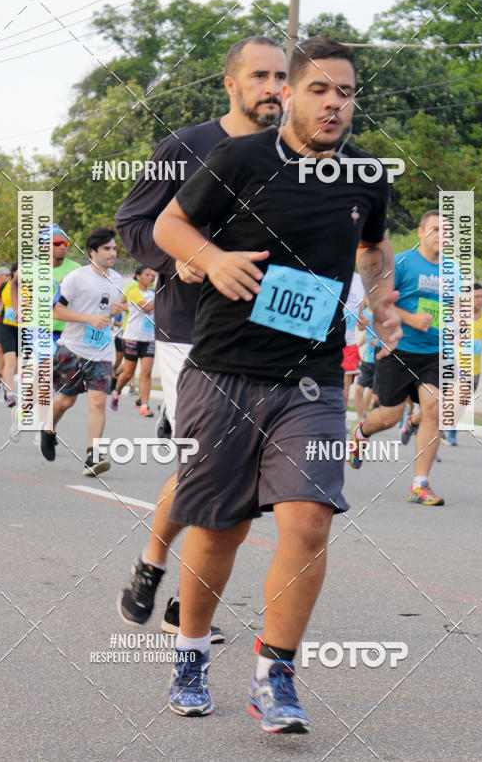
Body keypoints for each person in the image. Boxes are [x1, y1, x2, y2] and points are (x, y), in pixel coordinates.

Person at [153, 36, 401, 729]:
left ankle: (276, 674)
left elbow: (373, 246)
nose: (334, 104)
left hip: (312, 383)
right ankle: (193, 653)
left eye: (346, 93)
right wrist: (212, 257)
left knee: (309, 519)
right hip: (225, 371)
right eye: (319, 90)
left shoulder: (367, 175)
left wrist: (381, 298)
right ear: (287, 94)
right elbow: (172, 223)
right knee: (221, 528)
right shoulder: (241, 158)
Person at [115, 35, 288, 640]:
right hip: (190, 329)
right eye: (260, 76)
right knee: (207, 464)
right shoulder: (187, 145)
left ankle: (169, 582)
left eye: (281, 77)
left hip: (271, 335)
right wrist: (177, 263)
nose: (273, 88)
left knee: (242, 480)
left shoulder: (298, 154)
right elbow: (134, 223)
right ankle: (158, 573)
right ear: (231, 84)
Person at [350, 210, 450, 505]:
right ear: (421, 233)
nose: (440, 235)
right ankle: (361, 431)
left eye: (445, 231)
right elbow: (375, 300)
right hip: (398, 350)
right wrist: (409, 318)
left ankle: (420, 484)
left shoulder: (453, 271)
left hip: (433, 352)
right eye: (434, 229)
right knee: (390, 416)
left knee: (433, 408)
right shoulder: (403, 262)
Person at [39, 227, 123, 476]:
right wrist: (89, 319)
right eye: (107, 249)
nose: (113, 253)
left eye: (115, 249)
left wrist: (116, 311)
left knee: (98, 401)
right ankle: (48, 429)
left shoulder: (117, 279)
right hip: (73, 348)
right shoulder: (76, 277)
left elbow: (107, 310)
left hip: (102, 351)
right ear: (93, 251)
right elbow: (57, 311)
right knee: (66, 401)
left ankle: (92, 455)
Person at [442, 281, 482, 446]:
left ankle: (449, 424)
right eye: (476, 297)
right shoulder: (458, 316)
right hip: (456, 364)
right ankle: (449, 428)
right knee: (457, 397)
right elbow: (447, 335)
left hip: (475, 368)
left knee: (463, 401)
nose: (479, 300)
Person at [110, 265, 156, 416]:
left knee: (146, 372)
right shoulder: (134, 291)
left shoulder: (155, 291)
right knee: (129, 372)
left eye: (153, 274)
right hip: (132, 337)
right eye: (148, 274)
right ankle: (116, 392)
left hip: (149, 338)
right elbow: (147, 308)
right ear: (138, 277)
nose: (152, 276)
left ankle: (144, 406)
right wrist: (162, 299)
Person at [0, 263, 19, 407]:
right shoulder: (5, 286)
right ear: (13, 274)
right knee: (9, 359)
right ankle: (10, 393)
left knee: (16, 362)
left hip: (24, 328)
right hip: (6, 325)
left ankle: (6, 381)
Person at [341, 271, 364, 408]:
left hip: (348, 345)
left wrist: (363, 322)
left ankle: (339, 426)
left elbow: (361, 320)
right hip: (325, 344)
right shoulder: (330, 269)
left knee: (344, 390)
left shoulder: (361, 281)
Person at [353, 298, 378, 419]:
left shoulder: (383, 312)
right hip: (368, 359)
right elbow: (369, 337)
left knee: (373, 391)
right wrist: (357, 346)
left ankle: (365, 416)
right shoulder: (366, 313)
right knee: (358, 389)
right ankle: (361, 417)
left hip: (381, 360)